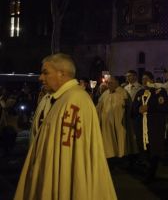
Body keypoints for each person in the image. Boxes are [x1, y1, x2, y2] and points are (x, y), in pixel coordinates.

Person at [14, 53, 116, 200]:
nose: (40, 78)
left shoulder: (75, 100)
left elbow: (73, 159)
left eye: (45, 72)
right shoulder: (61, 98)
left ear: (61, 73)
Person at [133, 71, 168, 182]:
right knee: (144, 149)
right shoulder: (140, 93)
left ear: (152, 80)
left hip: (154, 126)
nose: (144, 81)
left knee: (154, 149)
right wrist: (138, 109)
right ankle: (148, 169)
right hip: (142, 126)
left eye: (146, 78)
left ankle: (151, 172)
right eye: (143, 79)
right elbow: (134, 107)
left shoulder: (159, 92)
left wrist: (149, 108)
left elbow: (164, 108)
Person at [96, 76, 132, 160]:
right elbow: (98, 107)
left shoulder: (123, 93)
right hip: (106, 124)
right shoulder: (105, 94)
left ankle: (121, 157)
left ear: (117, 83)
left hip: (119, 122)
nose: (108, 85)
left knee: (119, 140)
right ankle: (110, 157)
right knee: (108, 142)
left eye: (111, 83)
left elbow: (129, 108)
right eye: (108, 83)